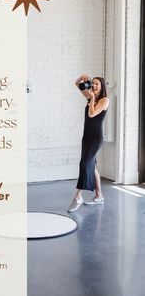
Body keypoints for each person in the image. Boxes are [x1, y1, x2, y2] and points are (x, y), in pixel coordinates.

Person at [68, 74, 109, 213]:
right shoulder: (91, 97)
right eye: (94, 83)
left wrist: (91, 98)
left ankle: (78, 197)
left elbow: (92, 114)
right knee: (93, 166)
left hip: (96, 138)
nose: (95, 86)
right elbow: (77, 84)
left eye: (98, 84)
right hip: (86, 137)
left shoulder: (104, 100)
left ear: (102, 86)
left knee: (85, 163)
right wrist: (82, 78)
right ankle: (99, 196)